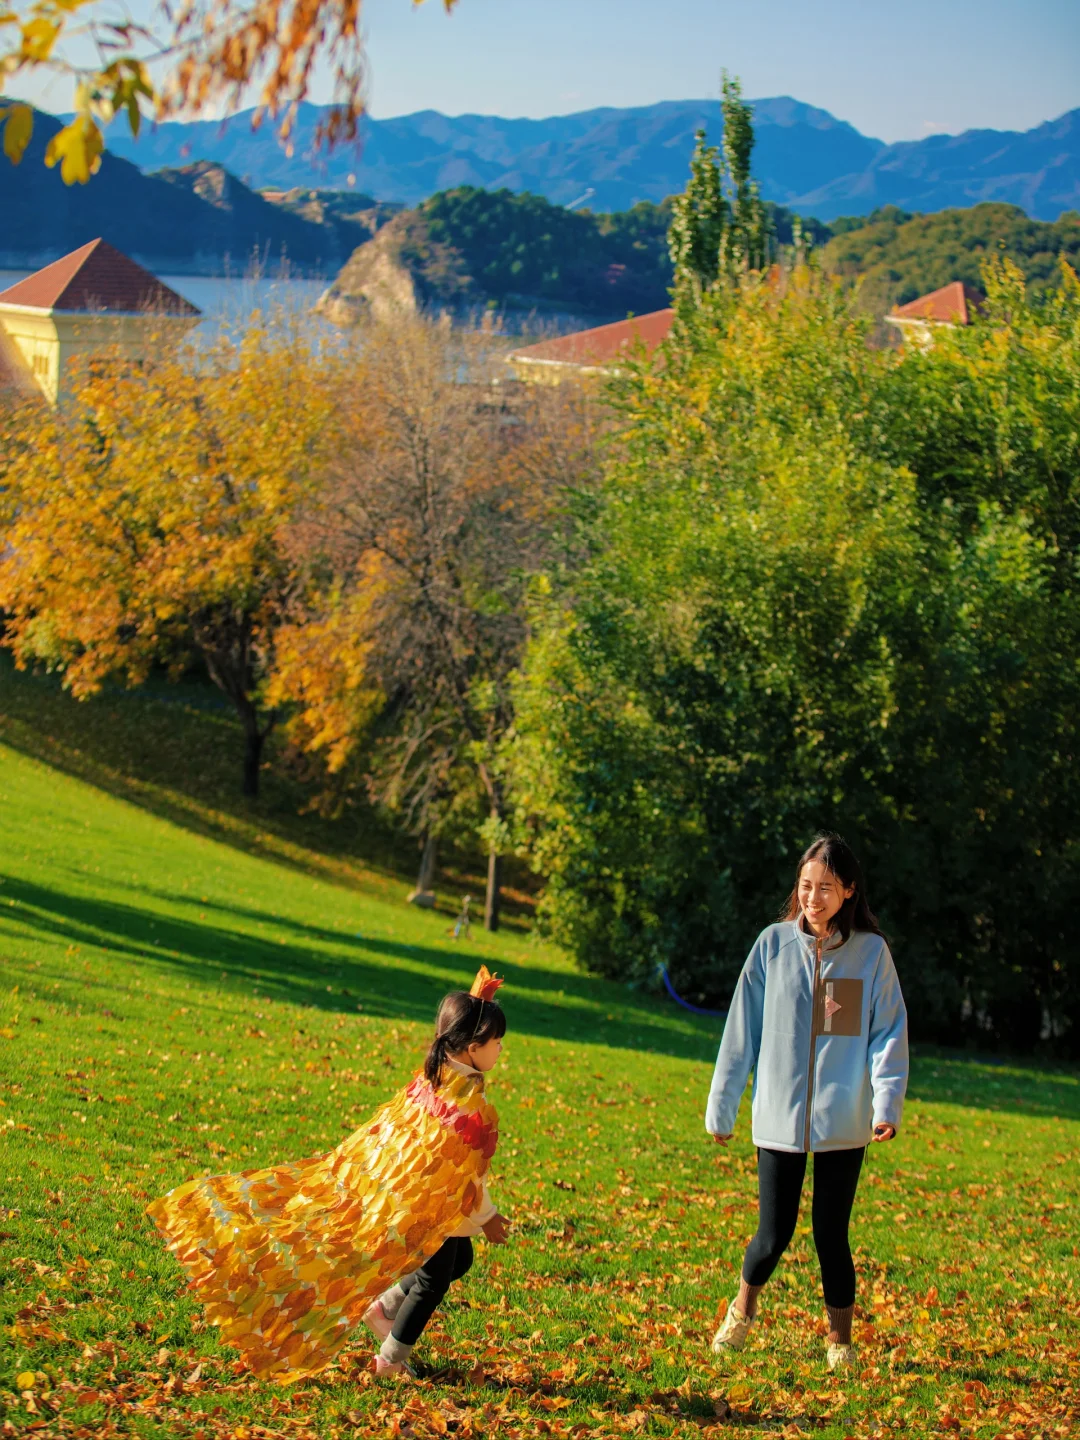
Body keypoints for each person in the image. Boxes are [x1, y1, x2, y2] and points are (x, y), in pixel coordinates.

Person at [146, 966, 509, 1384]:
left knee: (459, 1257)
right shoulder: (468, 1107)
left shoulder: (433, 1079)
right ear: (470, 1046)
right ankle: (391, 1359)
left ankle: (385, 1308)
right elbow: (466, 1179)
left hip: (405, 1198)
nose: (500, 1051)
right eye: (496, 1043)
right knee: (434, 1277)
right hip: (420, 1207)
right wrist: (489, 1216)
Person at [705, 832, 908, 1371]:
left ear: (848, 892)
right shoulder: (771, 946)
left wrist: (885, 1104)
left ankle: (839, 1340)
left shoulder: (871, 953)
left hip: (843, 1120)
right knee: (772, 1234)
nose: (814, 898)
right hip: (777, 1116)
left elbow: (888, 1032)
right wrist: (722, 1106)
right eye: (806, 886)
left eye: (826, 888)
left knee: (831, 1235)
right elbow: (740, 1030)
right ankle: (740, 1315)